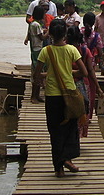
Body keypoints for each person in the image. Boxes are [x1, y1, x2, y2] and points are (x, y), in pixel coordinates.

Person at [32, 19, 86, 177]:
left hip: (52, 96)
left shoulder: (45, 51)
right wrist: (69, 73)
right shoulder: (72, 50)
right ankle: (67, 158)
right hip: (69, 93)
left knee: (54, 131)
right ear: (65, 34)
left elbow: (36, 75)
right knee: (70, 128)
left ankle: (59, 169)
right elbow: (84, 72)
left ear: (51, 34)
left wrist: (46, 77)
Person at [67, 25, 103, 137]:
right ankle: (80, 134)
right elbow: (91, 71)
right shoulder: (84, 50)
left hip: (67, 84)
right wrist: (98, 88)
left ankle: (70, 135)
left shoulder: (65, 51)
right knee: (83, 109)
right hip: (83, 83)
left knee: (69, 110)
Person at [24, 5, 46, 77]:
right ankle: (38, 78)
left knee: (34, 64)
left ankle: (34, 77)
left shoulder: (32, 24)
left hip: (33, 47)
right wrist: (49, 32)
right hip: (38, 48)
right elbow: (42, 37)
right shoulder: (37, 25)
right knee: (39, 65)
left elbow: (31, 35)